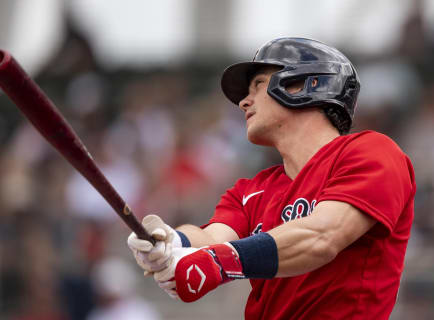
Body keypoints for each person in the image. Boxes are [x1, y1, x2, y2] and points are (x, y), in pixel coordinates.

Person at [128, 37, 416, 320]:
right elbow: (212, 239)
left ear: (302, 85)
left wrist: (218, 261)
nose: (243, 102)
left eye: (257, 86)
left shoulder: (372, 152)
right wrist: (170, 241)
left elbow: (322, 237)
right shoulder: (250, 190)